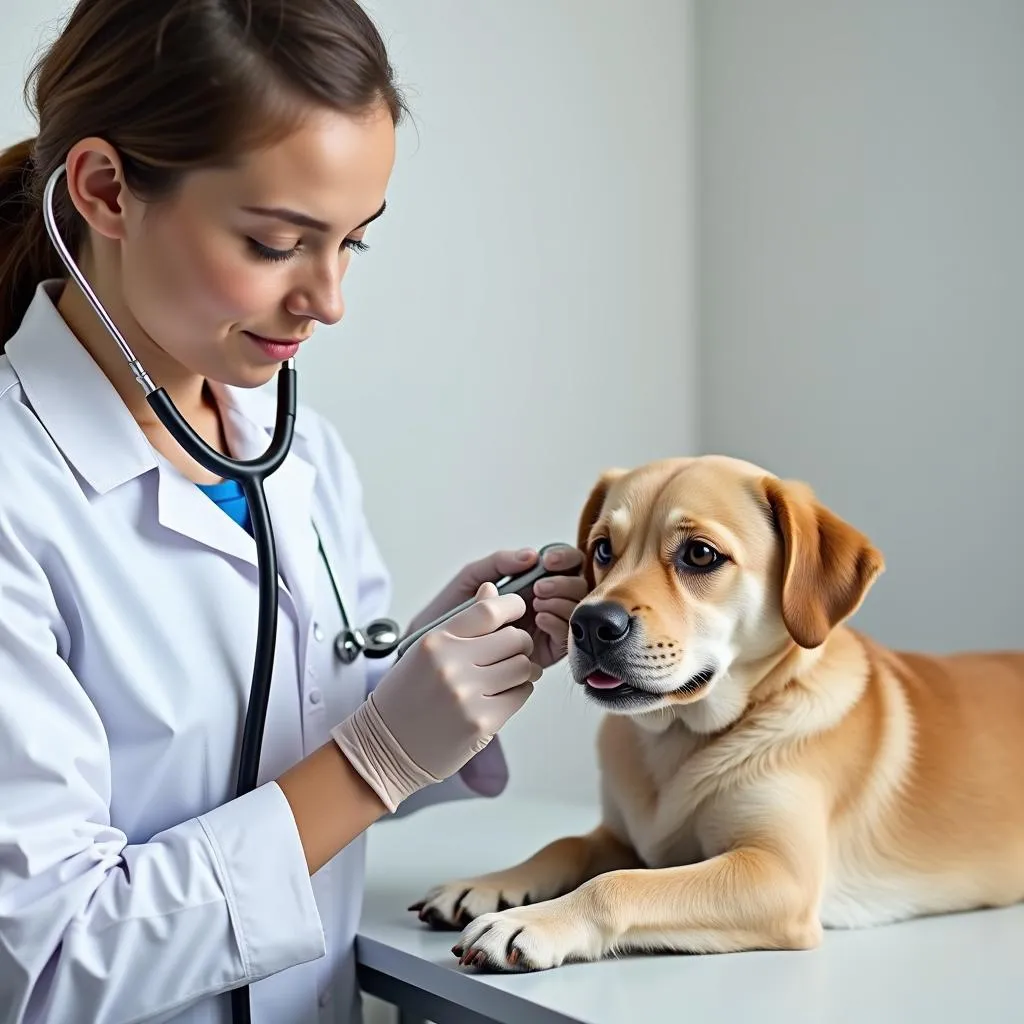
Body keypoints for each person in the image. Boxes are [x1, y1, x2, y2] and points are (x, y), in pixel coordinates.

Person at [0, 1, 587, 1021]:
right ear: (104, 191)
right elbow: (48, 965)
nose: (329, 298)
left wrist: (423, 677)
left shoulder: (291, 447)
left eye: (354, 242)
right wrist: (374, 759)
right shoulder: (18, 494)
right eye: (278, 242)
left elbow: (280, 737)